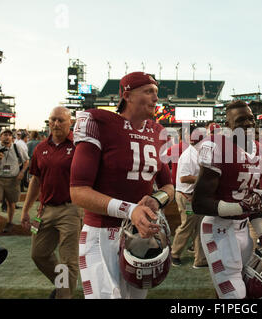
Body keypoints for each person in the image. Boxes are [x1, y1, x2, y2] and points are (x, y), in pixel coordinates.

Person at [69, 71, 174, 299]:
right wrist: (131, 209)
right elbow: (78, 191)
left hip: (140, 234)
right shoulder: (98, 121)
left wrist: (156, 200)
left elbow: (169, 187)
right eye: (148, 92)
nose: (156, 98)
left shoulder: (157, 132)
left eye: (156, 93)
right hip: (102, 233)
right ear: (127, 94)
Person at [192, 100, 262, 299]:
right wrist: (239, 207)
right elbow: (199, 203)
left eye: (250, 119)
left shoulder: (260, 151)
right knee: (234, 295)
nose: (247, 123)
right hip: (218, 229)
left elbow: (252, 202)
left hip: (244, 229)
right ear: (228, 126)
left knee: (249, 289)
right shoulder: (217, 146)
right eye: (240, 120)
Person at [20, 107, 82, 299]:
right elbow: (36, 180)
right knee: (38, 254)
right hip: (44, 210)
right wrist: (26, 210)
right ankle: (62, 286)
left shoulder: (79, 147)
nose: (55, 124)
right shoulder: (40, 148)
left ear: (70, 122)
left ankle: (63, 295)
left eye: (60, 120)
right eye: (52, 120)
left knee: (67, 260)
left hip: (70, 209)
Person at [171, 127, 207, 268]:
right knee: (187, 226)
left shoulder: (198, 152)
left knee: (200, 228)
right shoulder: (188, 156)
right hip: (187, 196)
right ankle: (174, 254)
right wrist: (204, 178)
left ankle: (200, 260)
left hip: (194, 195)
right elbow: (184, 177)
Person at [0, 128, 29, 235]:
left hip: (13, 179)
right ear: (0, 136)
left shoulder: (17, 147)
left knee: (11, 203)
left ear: (12, 137)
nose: (7, 137)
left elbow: (26, 161)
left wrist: (22, 172)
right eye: (5, 134)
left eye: (9, 135)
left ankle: (10, 222)